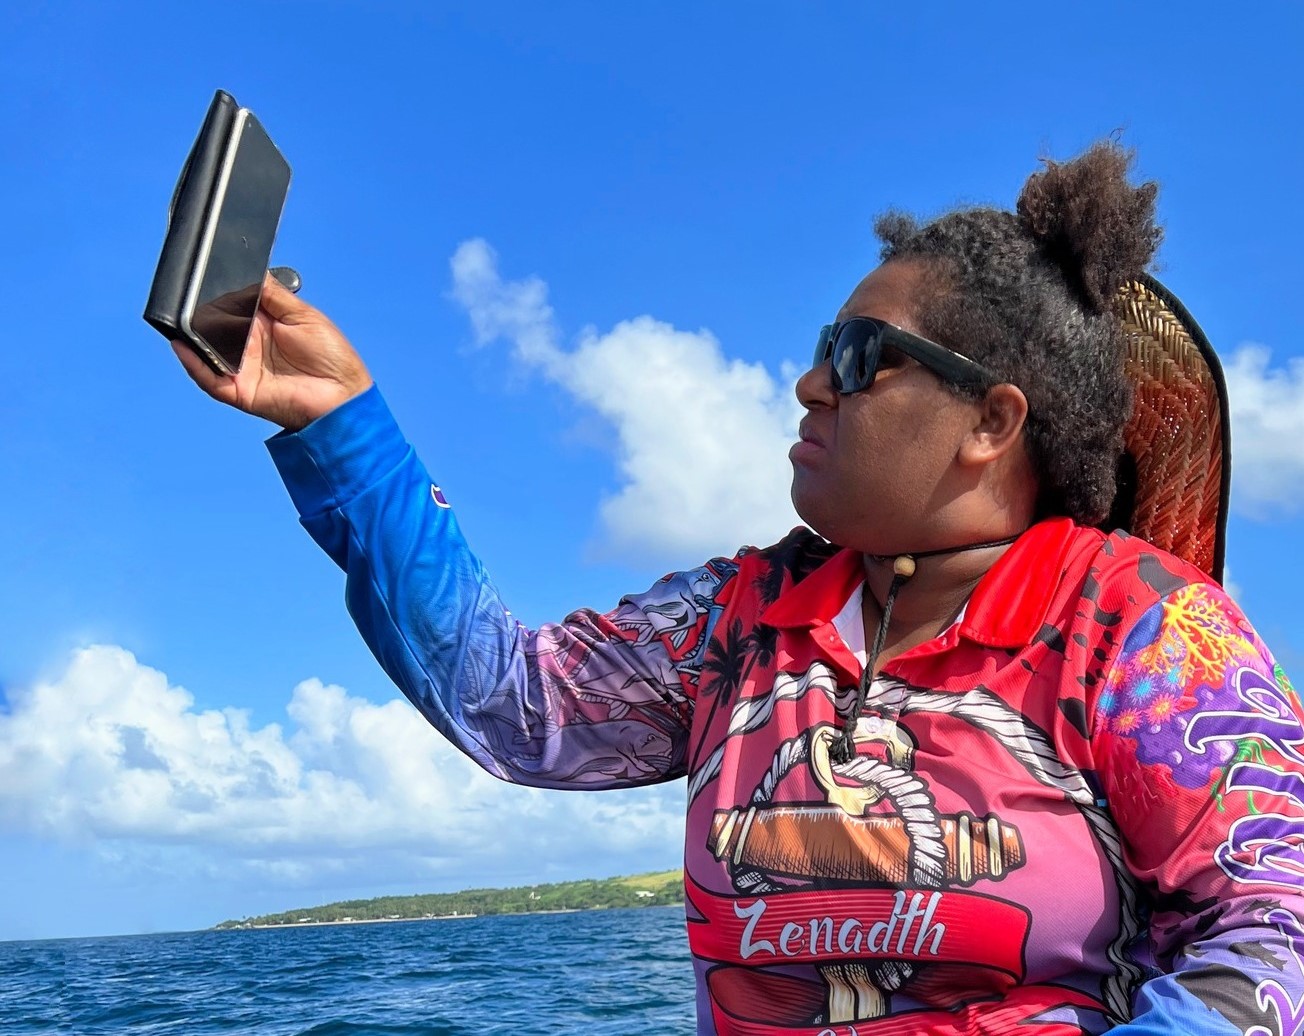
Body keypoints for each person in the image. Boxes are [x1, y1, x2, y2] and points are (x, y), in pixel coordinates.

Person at [175, 142, 1304, 1035]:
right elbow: (512, 707)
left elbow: (1271, 921)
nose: (810, 381)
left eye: (859, 356)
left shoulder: (1140, 625)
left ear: (989, 422)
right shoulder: (738, 621)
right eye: (823, 345)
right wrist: (338, 423)